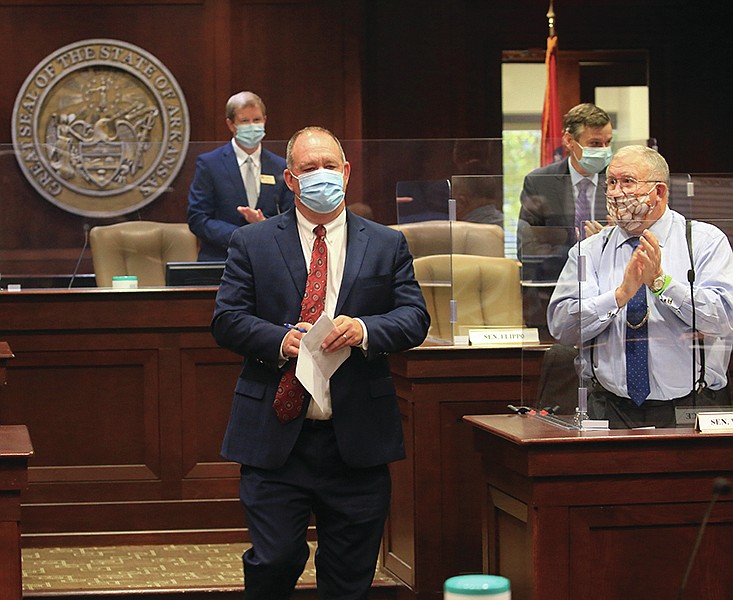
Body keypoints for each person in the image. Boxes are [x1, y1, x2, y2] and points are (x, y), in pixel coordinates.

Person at [211, 126, 430, 599]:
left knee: (349, 575)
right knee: (274, 559)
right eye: (309, 169)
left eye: (330, 166)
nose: (321, 176)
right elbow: (226, 320)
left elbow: (414, 317)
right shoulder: (253, 243)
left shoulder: (387, 243)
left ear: (347, 173)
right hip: (275, 437)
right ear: (290, 180)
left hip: (356, 437)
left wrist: (367, 329)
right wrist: (280, 339)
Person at [547, 145, 733, 428]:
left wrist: (662, 283)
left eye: (627, 182)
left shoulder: (705, 242)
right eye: (611, 182)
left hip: (690, 409)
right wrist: (619, 296)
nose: (615, 192)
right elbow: (562, 327)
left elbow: (724, 320)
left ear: (658, 191)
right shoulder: (591, 250)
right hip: (608, 408)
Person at [187, 91, 294, 261]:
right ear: (231, 124)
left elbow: (291, 216)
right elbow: (198, 218)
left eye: (257, 120)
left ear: (265, 120)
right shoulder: (209, 164)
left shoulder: (280, 166)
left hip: (269, 259)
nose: (252, 126)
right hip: (221, 260)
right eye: (245, 121)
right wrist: (241, 236)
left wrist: (264, 225)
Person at [517, 103, 613, 280]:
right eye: (595, 143)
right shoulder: (539, 182)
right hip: (556, 283)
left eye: (608, 142)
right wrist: (581, 246)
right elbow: (527, 248)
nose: (604, 150)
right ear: (569, 141)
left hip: (609, 283)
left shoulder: (619, 180)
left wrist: (610, 240)